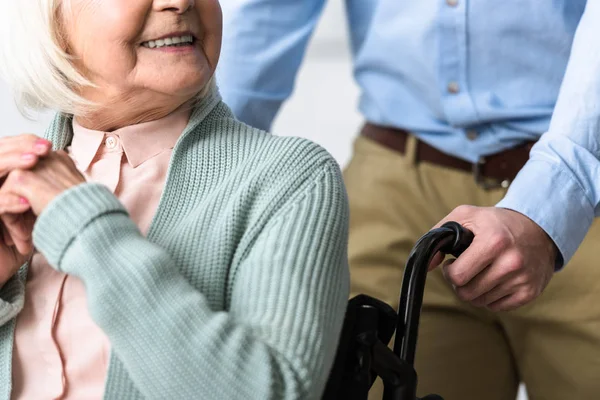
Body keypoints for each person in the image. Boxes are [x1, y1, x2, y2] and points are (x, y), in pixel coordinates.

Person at [217, 1, 600, 399]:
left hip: (588, 184)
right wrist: (207, 164)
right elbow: (273, 10)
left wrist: (556, 196)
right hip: (394, 189)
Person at [0, 0, 350, 398]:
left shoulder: (290, 178)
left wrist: (89, 231)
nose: (180, 2)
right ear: (48, 21)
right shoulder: (10, 188)